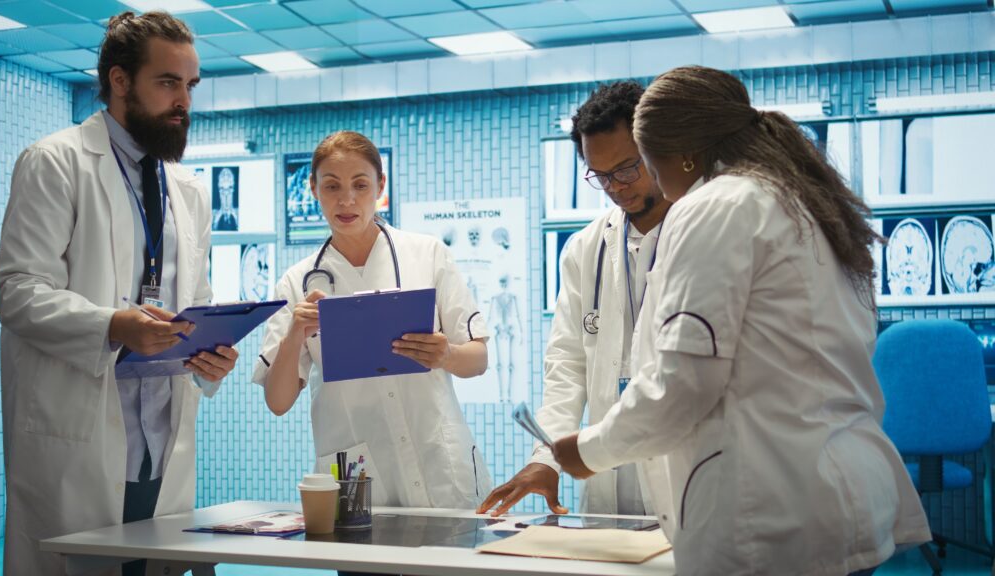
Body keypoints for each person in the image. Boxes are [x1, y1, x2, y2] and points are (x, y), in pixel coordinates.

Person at [552, 66, 931, 575]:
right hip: (835, 488)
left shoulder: (715, 205)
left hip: (771, 510)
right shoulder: (801, 199)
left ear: (681, 152)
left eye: (643, 164)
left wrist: (589, 450)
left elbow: (682, 384)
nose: (646, 183)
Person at [0, 11, 239, 576]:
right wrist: (112, 325)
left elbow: (195, 298)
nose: (184, 101)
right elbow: (15, 290)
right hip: (80, 439)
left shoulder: (188, 190)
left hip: (161, 441)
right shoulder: (56, 162)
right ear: (120, 80)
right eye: (168, 82)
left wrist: (210, 353)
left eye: (190, 85)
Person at [253, 131, 492, 516]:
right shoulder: (297, 282)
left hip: (439, 463)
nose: (346, 200)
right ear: (314, 189)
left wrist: (446, 355)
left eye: (360, 185)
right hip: (356, 474)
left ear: (381, 186)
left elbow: (478, 359)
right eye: (332, 186)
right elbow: (278, 402)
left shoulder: (427, 254)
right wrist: (295, 335)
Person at [478, 81, 670, 517]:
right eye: (600, 176)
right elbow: (567, 363)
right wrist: (545, 459)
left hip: (681, 466)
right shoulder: (586, 248)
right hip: (609, 475)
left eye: (627, 168)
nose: (615, 187)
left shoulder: (699, 233)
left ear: (656, 149)